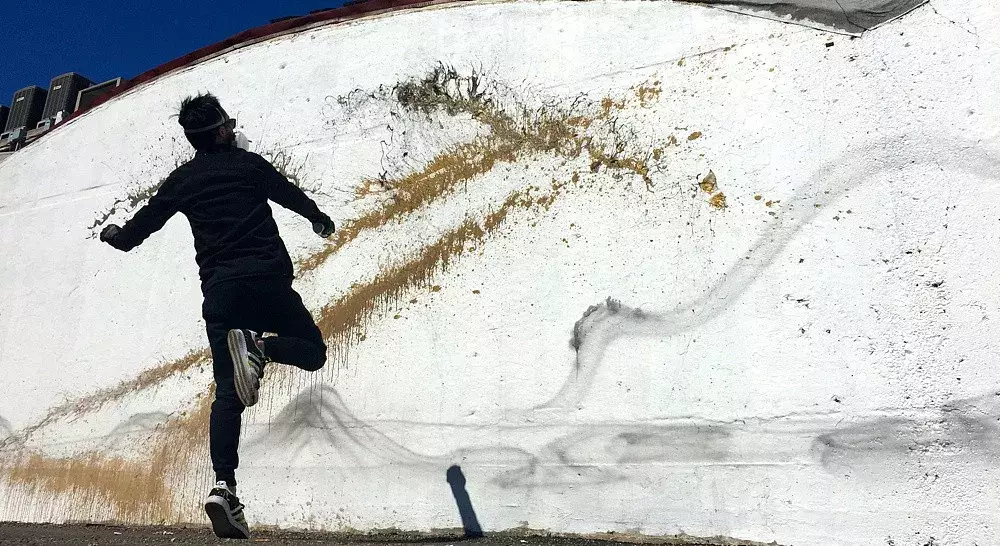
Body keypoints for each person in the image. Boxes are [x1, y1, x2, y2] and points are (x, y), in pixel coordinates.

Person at [100, 93, 334, 540]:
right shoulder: (249, 166)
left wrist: (114, 235)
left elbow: (136, 233)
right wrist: (319, 219)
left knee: (228, 393)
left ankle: (224, 486)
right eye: (230, 123)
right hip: (267, 283)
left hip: (222, 295)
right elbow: (289, 194)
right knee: (314, 352)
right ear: (224, 131)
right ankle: (262, 348)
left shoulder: (183, 181)